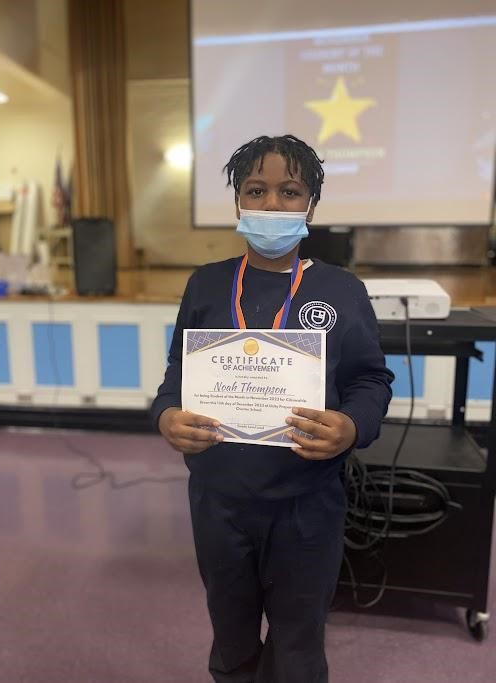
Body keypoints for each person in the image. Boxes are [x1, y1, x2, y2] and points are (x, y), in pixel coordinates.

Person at [151, 134, 394, 683]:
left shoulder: (341, 289)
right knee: (231, 630)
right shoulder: (207, 285)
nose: (271, 204)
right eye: (256, 190)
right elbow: (176, 375)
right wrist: (165, 415)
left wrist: (352, 426)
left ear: (311, 205)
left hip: (307, 502)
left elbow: (370, 379)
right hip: (219, 500)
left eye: (290, 191)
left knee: (298, 637)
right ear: (238, 202)